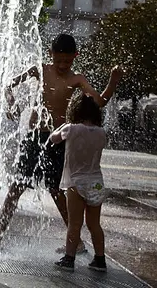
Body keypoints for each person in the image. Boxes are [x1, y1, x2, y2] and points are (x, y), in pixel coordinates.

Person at [0, 34, 121, 248]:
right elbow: (8, 85)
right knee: (16, 186)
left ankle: (77, 242)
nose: (62, 65)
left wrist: (113, 82)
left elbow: (99, 102)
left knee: (57, 191)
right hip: (34, 137)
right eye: (58, 60)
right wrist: (11, 102)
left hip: (58, 141)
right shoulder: (39, 69)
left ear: (75, 57)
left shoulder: (77, 79)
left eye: (67, 61)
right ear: (51, 55)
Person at [49, 93, 108, 272]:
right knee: (94, 224)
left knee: (75, 223)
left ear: (75, 110)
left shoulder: (71, 129)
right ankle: (100, 260)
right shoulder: (101, 133)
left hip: (76, 182)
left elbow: (53, 139)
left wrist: (61, 126)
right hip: (96, 182)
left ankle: (69, 259)